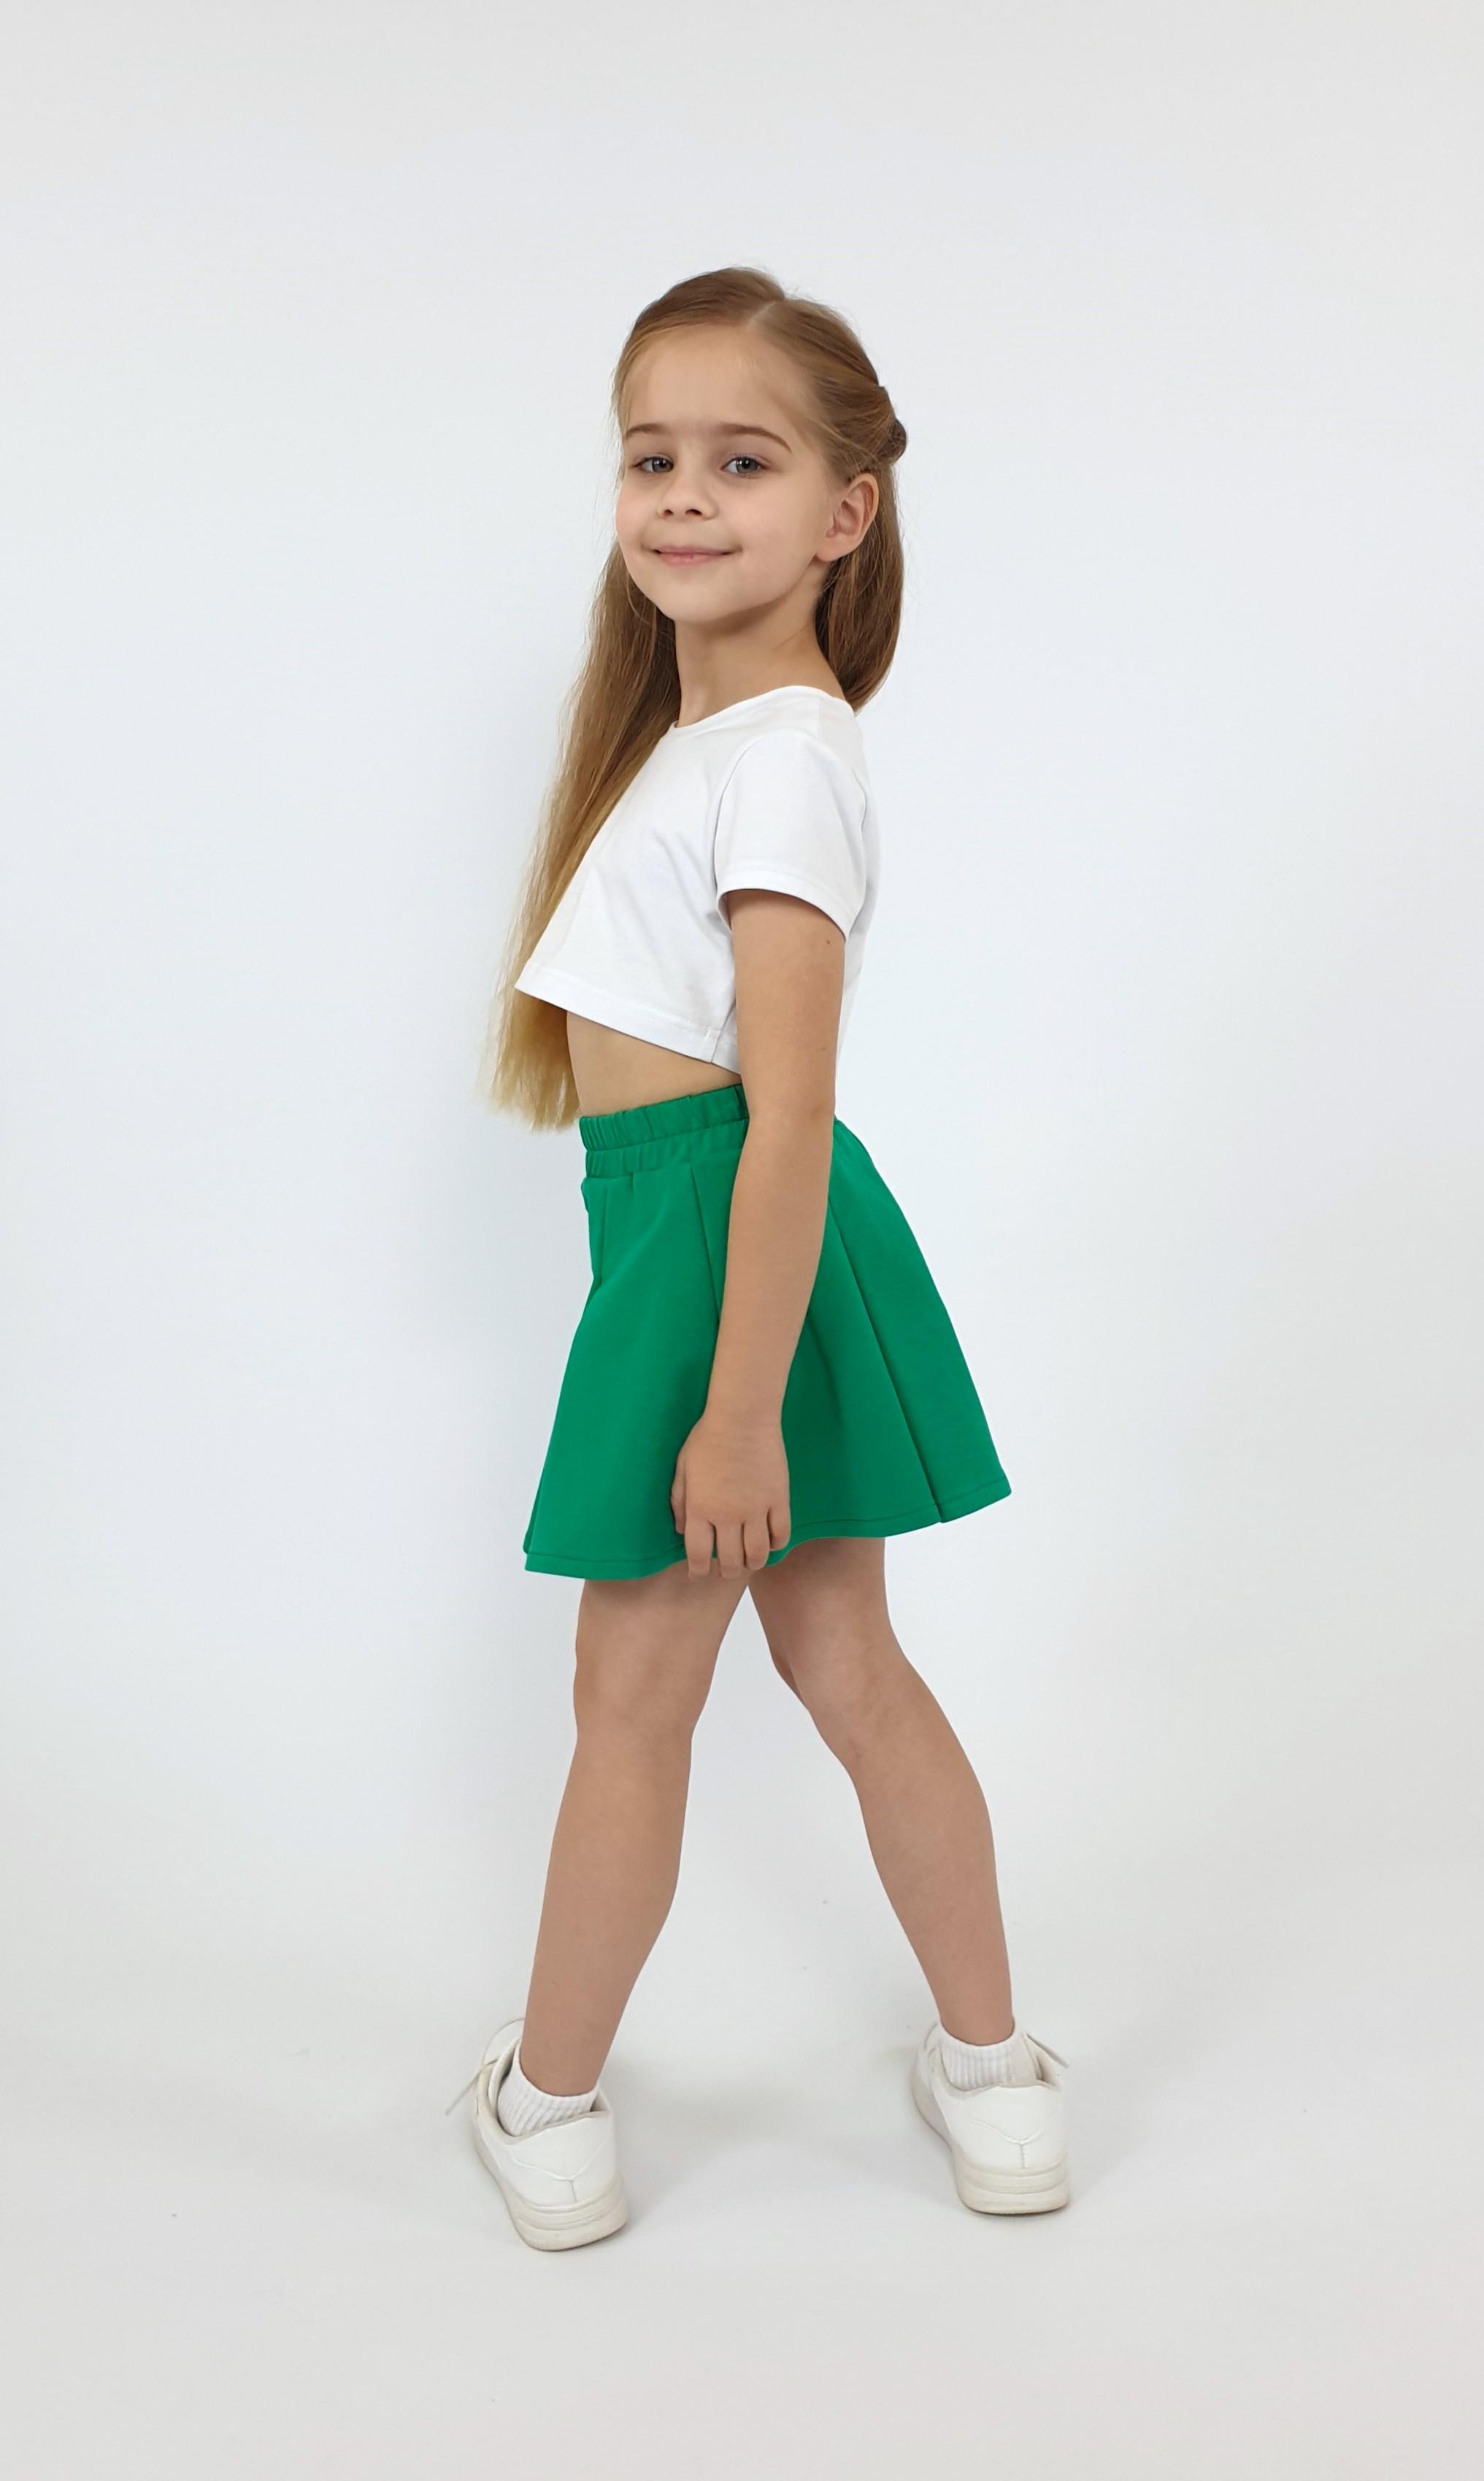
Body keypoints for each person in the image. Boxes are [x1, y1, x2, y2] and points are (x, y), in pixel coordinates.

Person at [447, 266, 1070, 2249]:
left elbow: (785, 1114)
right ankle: (996, 2079)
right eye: (654, 459)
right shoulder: (712, 743)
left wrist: (733, 1411)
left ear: (844, 512)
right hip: (713, 1237)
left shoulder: (782, 755)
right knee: (845, 1665)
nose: (686, 498)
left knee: (635, 1699)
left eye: (744, 461)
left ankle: (547, 2105)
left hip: (729, 1250)